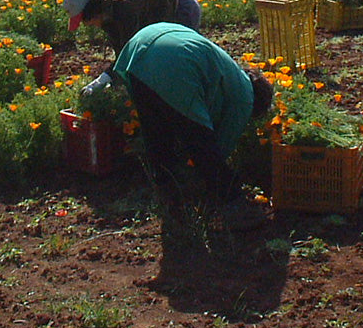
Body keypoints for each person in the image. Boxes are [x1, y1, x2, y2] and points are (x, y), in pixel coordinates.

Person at [110, 22, 274, 230]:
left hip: (142, 47)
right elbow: (219, 145)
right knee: (202, 145)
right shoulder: (245, 97)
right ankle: (234, 206)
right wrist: (207, 174)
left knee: (157, 135)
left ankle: (170, 198)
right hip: (174, 62)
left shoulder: (230, 71)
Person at [62, 0, 202, 95]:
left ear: (92, 10)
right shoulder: (107, 12)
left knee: (177, 63)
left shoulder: (121, 8)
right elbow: (122, 53)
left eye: (85, 20)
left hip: (181, 9)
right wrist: (112, 81)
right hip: (157, 16)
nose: (87, 25)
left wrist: (104, 79)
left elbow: (132, 53)